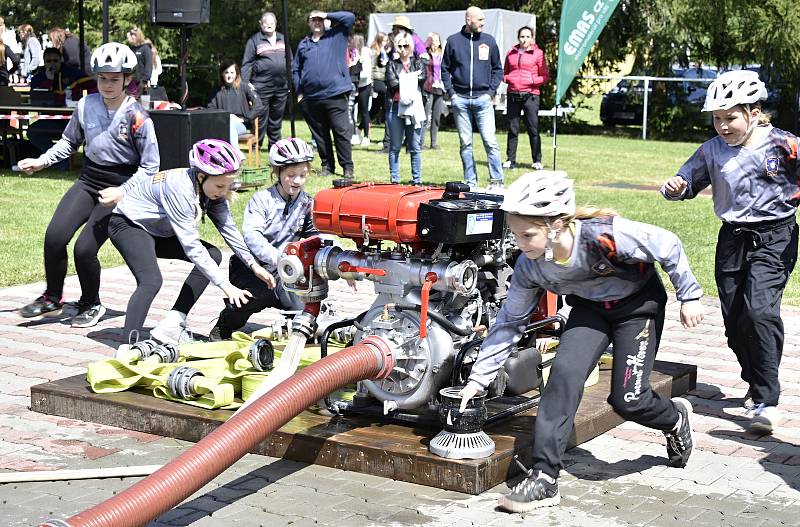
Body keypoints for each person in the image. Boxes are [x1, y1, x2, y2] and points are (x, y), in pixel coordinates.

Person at [460, 171, 704, 512]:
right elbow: (508, 324)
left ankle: (674, 418)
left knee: (629, 400)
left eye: (527, 235)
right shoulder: (531, 267)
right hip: (590, 310)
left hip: (637, 308)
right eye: (514, 234)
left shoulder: (605, 236)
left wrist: (689, 295)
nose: (519, 244)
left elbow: (668, 245)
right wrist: (479, 379)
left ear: (556, 224)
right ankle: (544, 478)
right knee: (561, 380)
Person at [660, 70, 798, 434]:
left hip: (776, 236)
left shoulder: (785, 146)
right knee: (736, 325)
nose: (723, 126)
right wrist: (675, 187)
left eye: (730, 117)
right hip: (733, 240)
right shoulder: (712, 149)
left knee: (759, 311)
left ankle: (768, 400)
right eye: (717, 118)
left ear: (753, 113)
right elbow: (685, 181)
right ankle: (756, 379)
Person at [17, 43, 160, 328]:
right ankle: (52, 298)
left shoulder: (138, 117)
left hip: (120, 187)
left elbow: (150, 167)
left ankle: (91, 302)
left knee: (84, 249)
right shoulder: (85, 106)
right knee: (55, 237)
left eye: (114, 78)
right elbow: (70, 142)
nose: (107, 84)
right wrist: (42, 161)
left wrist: (122, 192)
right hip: (89, 179)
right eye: (103, 78)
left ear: (127, 79)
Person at [109, 139, 273, 346]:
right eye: (220, 185)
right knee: (151, 280)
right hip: (127, 225)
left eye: (229, 186)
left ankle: (173, 323)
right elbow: (191, 246)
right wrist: (226, 286)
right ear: (202, 175)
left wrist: (253, 265)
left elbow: (229, 230)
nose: (224, 191)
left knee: (213, 254)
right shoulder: (180, 188)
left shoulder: (212, 192)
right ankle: (127, 345)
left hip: (159, 232)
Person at [209, 138, 318, 341]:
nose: (297, 181)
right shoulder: (262, 200)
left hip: (286, 271)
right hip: (251, 268)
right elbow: (252, 236)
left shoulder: (306, 202)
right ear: (277, 173)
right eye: (291, 175)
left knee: (304, 312)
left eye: (303, 175)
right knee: (255, 297)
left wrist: (334, 259)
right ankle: (226, 321)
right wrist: (279, 258)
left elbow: (316, 236)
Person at [442, 6, 504, 191]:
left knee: (490, 141)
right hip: (460, 99)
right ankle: (471, 183)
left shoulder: (489, 41)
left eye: (483, 20)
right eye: (480, 20)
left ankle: (497, 182)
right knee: (466, 144)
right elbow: (444, 69)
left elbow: (498, 69)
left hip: (483, 99)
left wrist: (490, 92)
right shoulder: (453, 41)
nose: (483, 23)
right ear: (469, 20)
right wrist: (451, 93)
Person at [292, 10, 355, 179]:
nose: (317, 22)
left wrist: (327, 14)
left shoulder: (336, 36)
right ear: (308, 23)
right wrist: (299, 92)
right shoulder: (303, 44)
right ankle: (327, 165)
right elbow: (295, 69)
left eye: (320, 20)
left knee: (341, 132)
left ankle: (347, 167)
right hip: (312, 98)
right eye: (313, 20)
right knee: (320, 135)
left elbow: (350, 17)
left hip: (336, 94)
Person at [27, 47, 97, 168]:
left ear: (61, 60)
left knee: (87, 133)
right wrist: (49, 81)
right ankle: (56, 159)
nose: (52, 64)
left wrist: (87, 101)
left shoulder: (72, 72)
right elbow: (36, 96)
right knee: (33, 132)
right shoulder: (39, 76)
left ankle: (74, 163)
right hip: (50, 118)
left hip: (71, 118)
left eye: (55, 61)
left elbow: (94, 85)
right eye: (48, 61)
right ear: (44, 62)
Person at [241, 11, 290, 149]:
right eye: (266, 23)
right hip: (261, 86)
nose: (269, 25)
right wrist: (246, 86)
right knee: (260, 117)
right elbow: (247, 64)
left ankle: (274, 145)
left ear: (276, 24)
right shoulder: (254, 41)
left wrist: (291, 82)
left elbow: (290, 61)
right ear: (260, 24)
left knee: (276, 118)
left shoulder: (282, 38)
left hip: (281, 86)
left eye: (271, 23)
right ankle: (256, 144)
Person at [503, 25, 548, 171]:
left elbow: (544, 76)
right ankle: (510, 160)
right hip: (513, 94)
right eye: (522, 36)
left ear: (532, 38)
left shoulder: (538, 53)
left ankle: (536, 160)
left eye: (528, 36)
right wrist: (509, 79)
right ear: (518, 37)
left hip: (531, 95)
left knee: (533, 128)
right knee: (512, 128)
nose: (524, 39)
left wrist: (532, 81)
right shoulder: (511, 53)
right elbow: (504, 73)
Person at [385, 33, 426, 185]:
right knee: (395, 146)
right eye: (399, 46)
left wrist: (404, 79)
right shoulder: (392, 64)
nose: (402, 49)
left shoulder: (418, 62)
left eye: (405, 45)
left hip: (415, 108)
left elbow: (423, 78)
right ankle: (394, 180)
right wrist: (411, 78)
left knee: (415, 146)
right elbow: (392, 83)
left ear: (411, 46)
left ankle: (417, 180)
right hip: (396, 108)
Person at [207, 60, 264, 147]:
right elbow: (211, 109)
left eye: (232, 72)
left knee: (230, 128)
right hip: (222, 123)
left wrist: (246, 118)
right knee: (227, 127)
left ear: (237, 73)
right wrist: (225, 117)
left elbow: (259, 104)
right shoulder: (216, 89)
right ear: (222, 73)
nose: (229, 75)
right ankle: (235, 156)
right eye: (226, 72)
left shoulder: (244, 86)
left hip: (241, 124)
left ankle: (235, 155)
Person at [420, 32, 444, 150]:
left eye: (436, 40)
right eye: (432, 40)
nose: (435, 42)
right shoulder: (426, 55)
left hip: (439, 88)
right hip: (429, 87)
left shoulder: (442, 56)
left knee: (436, 117)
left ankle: (433, 143)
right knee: (425, 115)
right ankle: (421, 142)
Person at [126, 27, 152, 96]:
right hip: (130, 83)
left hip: (141, 84)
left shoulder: (145, 48)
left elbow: (148, 67)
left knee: (142, 105)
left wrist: (143, 83)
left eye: (133, 35)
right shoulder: (130, 49)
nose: (131, 37)